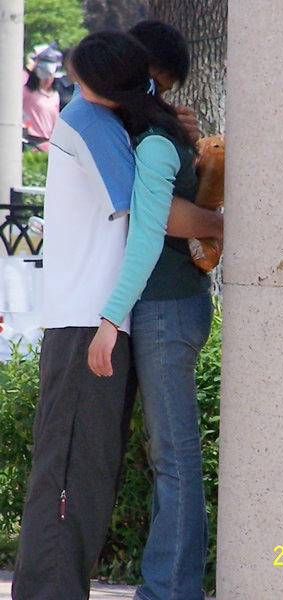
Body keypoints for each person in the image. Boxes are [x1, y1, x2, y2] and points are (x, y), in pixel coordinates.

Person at [12, 30, 223, 600]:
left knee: (77, 474)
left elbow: (147, 214)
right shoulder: (95, 122)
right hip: (91, 321)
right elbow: (153, 217)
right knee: (71, 475)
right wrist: (220, 224)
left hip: (95, 320)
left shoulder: (107, 123)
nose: (74, 88)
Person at [86, 23, 215, 600]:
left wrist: (110, 319)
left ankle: (170, 590)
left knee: (174, 458)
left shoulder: (156, 139)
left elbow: (152, 228)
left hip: (165, 309)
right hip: (168, 307)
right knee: (169, 457)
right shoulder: (155, 130)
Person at [23, 44, 62, 150]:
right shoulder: (27, 91)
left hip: (47, 143)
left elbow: (55, 121)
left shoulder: (55, 95)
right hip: (29, 141)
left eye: (50, 75)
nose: (47, 78)